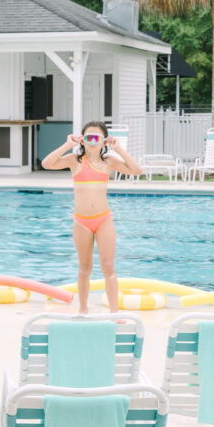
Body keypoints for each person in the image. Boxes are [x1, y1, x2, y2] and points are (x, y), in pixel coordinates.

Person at [41, 122, 142, 314]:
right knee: (84, 268)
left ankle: (114, 313)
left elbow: (137, 171)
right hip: (82, 222)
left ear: (104, 141)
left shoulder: (109, 162)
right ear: (82, 140)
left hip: (104, 220)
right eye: (88, 137)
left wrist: (118, 149)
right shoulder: (74, 160)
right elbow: (46, 164)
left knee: (108, 268)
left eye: (97, 138)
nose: (92, 142)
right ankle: (83, 310)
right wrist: (67, 145)